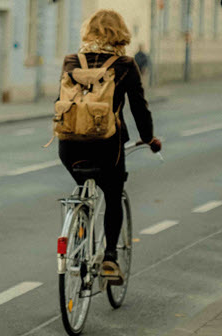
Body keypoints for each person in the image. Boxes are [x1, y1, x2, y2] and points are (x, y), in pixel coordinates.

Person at [57, 9, 161, 283]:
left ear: (88, 32)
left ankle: (78, 236)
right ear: (120, 34)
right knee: (113, 194)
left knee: (82, 187)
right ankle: (110, 258)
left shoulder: (71, 61)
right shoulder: (125, 65)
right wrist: (149, 138)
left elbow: (62, 103)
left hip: (69, 147)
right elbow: (140, 109)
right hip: (106, 147)